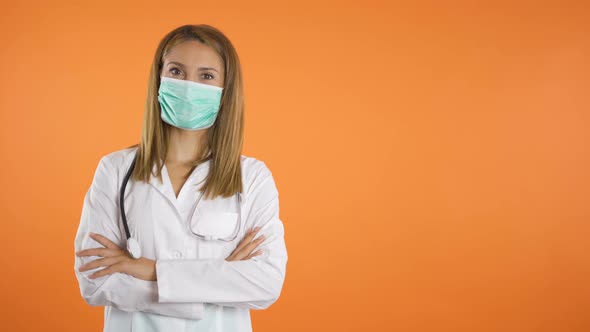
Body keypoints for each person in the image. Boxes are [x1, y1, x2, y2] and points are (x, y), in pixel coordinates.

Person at [73, 24, 288, 332]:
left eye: (206, 76)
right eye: (176, 71)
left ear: (226, 90)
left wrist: (147, 270)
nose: (189, 85)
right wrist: (215, 282)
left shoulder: (252, 178)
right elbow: (96, 282)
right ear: (159, 79)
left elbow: (266, 283)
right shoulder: (115, 170)